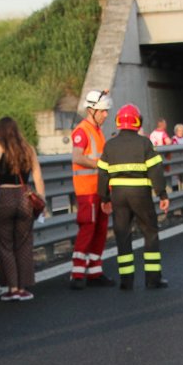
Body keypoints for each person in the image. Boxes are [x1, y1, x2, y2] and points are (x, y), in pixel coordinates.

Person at [99, 104, 169, 289]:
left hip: (118, 196)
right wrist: (162, 194)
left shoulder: (110, 145)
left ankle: (126, 281)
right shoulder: (145, 143)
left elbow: (102, 174)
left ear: (118, 122)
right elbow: (156, 170)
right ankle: (153, 279)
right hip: (141, 196)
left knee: (122, 236)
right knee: (150, 232)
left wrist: (104, 198)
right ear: (138, 122)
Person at [0, 116, 45, 301]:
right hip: (25, 197)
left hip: (5, 196)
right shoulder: (28, 149)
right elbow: (38, 177)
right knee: (24, 243)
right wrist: (41, 200)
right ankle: (23, 287)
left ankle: (12, 288)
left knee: (5, 244)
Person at [69, 90, 114, 289]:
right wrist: (99, 165)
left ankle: (95, 271)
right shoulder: (82, 131)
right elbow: (77, 157)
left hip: (101, 189)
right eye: (102, 111)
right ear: (91, 110)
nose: (106, 115)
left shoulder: (97, 130)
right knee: (88, 228)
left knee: (101, 230)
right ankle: (77, 273)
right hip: (87, 191)